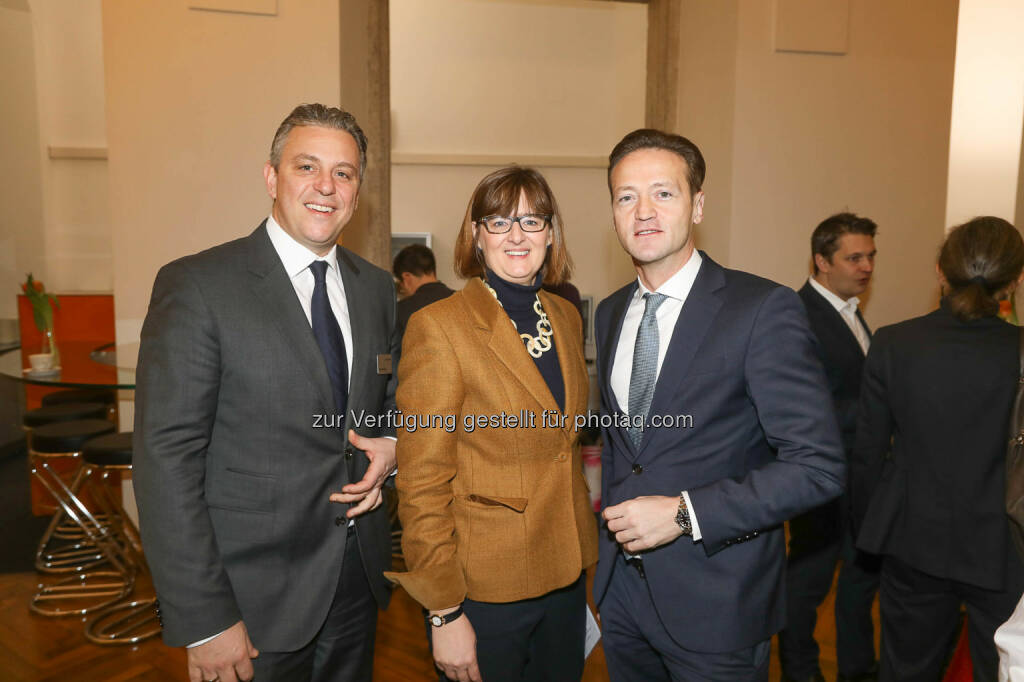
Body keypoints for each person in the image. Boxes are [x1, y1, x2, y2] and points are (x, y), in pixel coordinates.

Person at [134, 103, 399, 682]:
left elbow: (388, 405)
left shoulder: (377, 288)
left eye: (345, 173)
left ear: (358, 190)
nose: (326, 186)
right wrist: (205, 619)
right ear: (271, 178)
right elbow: (165, 461)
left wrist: (395, 447)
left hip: (356, 585)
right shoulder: (199, 285)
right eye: (307, 166)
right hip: (249, 602)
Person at [592, 128, 846, 682]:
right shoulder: (610, 313)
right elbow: (627, 453)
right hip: (623, 600)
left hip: (717, 603)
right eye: (625, 196)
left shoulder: (760, 310)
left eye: (664, 192)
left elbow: (818, 467)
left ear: (697, 203)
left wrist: (686, 513)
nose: (643, 211)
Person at [385, 166, 598, 682]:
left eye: (531, 220)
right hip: (486, 588)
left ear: (551, 232)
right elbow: (422, 482)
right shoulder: (439, 327)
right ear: (476, 236)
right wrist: (444, 610)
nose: (517, 235)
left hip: (566, 574)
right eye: (499, 222)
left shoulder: (565, 316)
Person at [852, 216, 1024, 682]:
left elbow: (867, 455)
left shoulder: (894, 343)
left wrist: (868, 530)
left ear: (939, 272)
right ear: (1015, 280)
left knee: (906, 670)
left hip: (912, 541)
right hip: (1005, 546)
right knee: (1003, 672)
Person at [780, 212, 881, 682]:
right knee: (807, 585)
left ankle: (858, 671)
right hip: (819, 476)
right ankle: (801, 673)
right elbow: (809, 407)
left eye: (870, 256)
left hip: (860, 477)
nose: (866, 267)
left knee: (860, 584)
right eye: (854, 257)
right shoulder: (797, 313)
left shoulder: (851, 311)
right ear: (821, 261)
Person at [392, 244, 454, 339]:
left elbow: (396, 351)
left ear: (406, 277)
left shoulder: (400, 311)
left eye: (401, 284)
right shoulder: (460, 300)